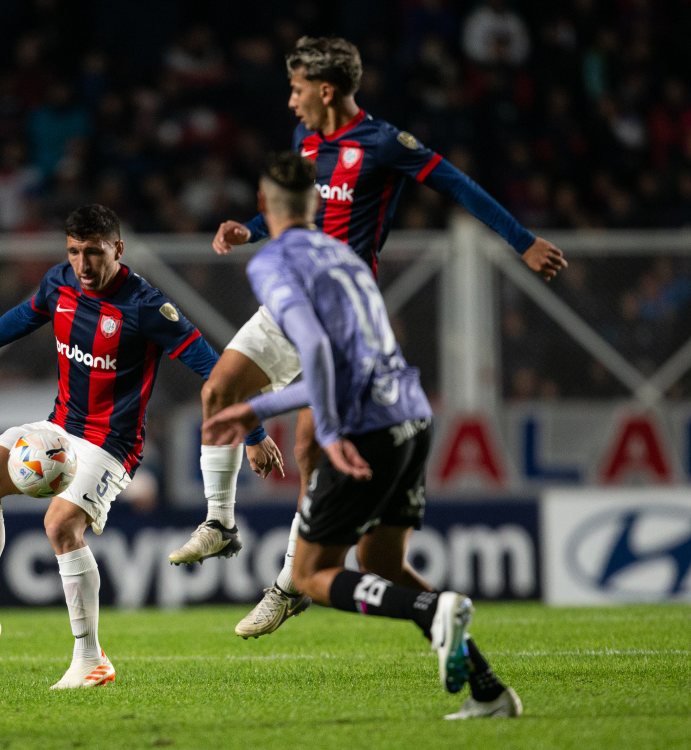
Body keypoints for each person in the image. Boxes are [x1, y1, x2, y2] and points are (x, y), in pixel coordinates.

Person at [169, 36, 566, 640]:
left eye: (298, 89)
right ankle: (220, 523)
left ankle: (288, 584)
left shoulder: (382, 144)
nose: (290, 100)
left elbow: (459, 186)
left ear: (326, 90)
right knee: (218, 390)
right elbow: (295, 211)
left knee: (309, 452)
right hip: (286, 303)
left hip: (340, 319)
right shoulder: (306, 143)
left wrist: (522, 241)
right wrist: (249, 230)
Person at [203, 152, 521, 719]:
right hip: (413, 416)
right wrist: (265, 407)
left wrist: (280, 413)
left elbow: (318, 352)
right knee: (382, 564)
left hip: (365, 428)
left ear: (261, 206)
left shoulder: (273, 260)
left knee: (309, 574)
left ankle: (439, 609)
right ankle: (488, 690)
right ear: (318, 204)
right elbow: (358, 360)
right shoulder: (347, 257)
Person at [0, 204, 246, 689]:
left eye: (93, 252)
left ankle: (90, 658)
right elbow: (20, 318)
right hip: (59, 427)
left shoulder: (146, 306)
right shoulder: (59, 283)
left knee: (60, 524)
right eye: (74, 252)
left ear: (117, 248)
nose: (83, 264)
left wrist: (255, 432)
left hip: (111, 442)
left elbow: (210, 364)